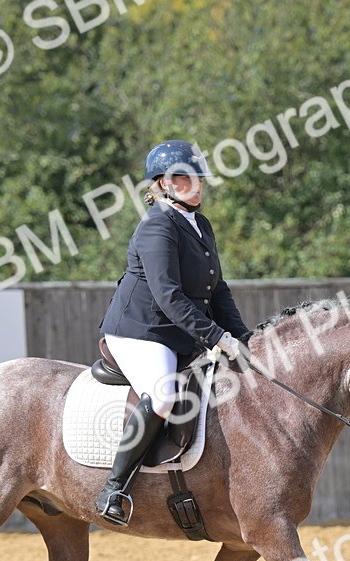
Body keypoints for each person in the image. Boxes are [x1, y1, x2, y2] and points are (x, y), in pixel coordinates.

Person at [95, 140, 252, 526]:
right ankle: (114, 488)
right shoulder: (157, 225)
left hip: (179, 332)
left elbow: (217, 289)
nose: (196, 185)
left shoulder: (200, 224)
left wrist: (243, 337)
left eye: (199, 177)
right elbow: (168, 295)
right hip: (142, 331)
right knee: (163, 395)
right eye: (185, 178)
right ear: (164, 184)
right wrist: (217, 337)